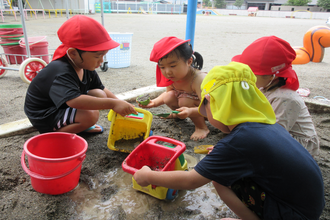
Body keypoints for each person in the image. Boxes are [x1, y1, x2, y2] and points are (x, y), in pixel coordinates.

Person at [133, 62, 325, 220]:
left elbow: (191, 180)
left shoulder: (239, 141)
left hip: (293, 214)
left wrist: (148, 176)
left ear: (212, 102)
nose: (204, 113)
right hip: (306, 207)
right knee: (225, 173)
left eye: (204, 107)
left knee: (219, 179)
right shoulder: (264, 126)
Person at [24, 15, 137, 134]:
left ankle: (78, 126)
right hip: (46, 114)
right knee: (90, 115)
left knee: (100, 94)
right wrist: (113, 104)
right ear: (73, 53)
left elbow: (100, 88)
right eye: (98, 56)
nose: (101, 61)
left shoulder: (84, 64)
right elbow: (74, 101)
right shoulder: (61, 70)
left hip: (61, 107)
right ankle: (55, 136)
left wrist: (121, 104)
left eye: (103, 55)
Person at [232, 35, 320, 157]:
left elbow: (275, 135)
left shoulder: (285, 98)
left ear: (271, 76)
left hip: (296, 143)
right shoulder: (264, 85)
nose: (245, 77)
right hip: (272, 129)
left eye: (250, 74)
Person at [139, 36, 209, 140]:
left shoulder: (198, 79)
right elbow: (168, 94)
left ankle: (201, 127)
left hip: (208, 112)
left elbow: (209, 108)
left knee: (184, 101)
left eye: (172, 66)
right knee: (169, 97)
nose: (167, 72)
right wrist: (154, 102)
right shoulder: (174, 76)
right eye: (162, 67)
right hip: (189, 108)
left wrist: (189, 111)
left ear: (189, 61)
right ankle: (178, 114)